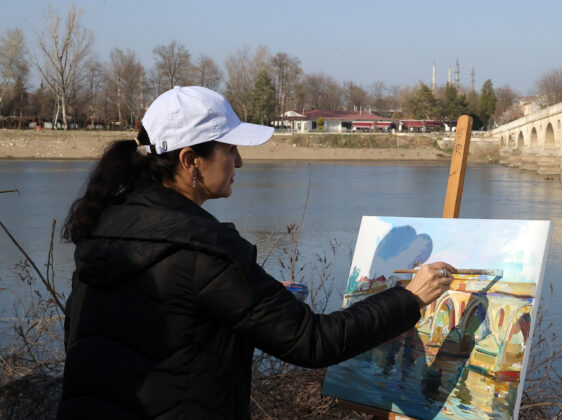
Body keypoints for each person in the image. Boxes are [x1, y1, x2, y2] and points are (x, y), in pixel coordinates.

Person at [58, 86, 455, 419]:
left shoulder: (103, 229)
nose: (240, 162)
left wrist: (241, 298)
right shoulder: (203, 249)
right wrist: (409, 297)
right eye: (230, 150)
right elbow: (313, 342)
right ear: (190, 160)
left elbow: (110, 337)